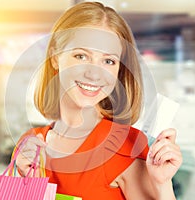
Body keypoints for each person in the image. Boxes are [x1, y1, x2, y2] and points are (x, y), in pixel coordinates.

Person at [14, 1, 182, 199]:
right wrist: (23, 179)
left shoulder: (125, 146)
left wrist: (162, 186)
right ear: (55, 57)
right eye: (81, 56)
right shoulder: (29, 144)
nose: (94, 74)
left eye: (108, 61)